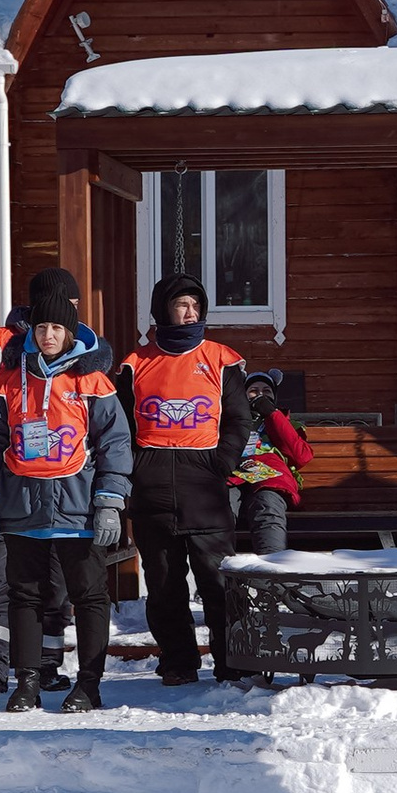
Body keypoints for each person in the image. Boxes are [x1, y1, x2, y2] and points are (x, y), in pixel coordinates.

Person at [0, 266, 131, 712]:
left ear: (70, 332)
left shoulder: (92, 381)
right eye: (41, 327)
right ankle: (26, 682)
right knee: (24, 595)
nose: (48, 335)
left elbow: (115, 442)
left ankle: (89, 684)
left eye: (57, 328)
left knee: (88, 596)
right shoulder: (7, 380)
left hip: (78, 508)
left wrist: (110, 500)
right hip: (22, 505)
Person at [118, 273, 249, 685]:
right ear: (163, 310)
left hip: (205, 488)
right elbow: (120, 428)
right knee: (163, 585)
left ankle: (232, 663)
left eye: (195, 305)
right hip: (152, 488)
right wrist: (137, 468)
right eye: (181, 305)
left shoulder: (222, 359)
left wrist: (221, 464)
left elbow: (239, 420)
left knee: (218, 582)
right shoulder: (134, 363)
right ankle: (178, 662)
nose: (190, 313)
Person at [0, 306, 67, 696]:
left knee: (53, 580)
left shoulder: (75, 352)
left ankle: (44, 663)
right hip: (6, 486)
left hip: (57, 489)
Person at [231, 369, 312, 555]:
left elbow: (301, 456)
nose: (260, 395)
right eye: (254, 391)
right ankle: (218, 568)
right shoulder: (230, 420)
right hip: (232, 475)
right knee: (219, 508)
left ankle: (272, 566)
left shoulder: (285, 422)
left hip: (269, 478)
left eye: (266, 391)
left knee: (267, 505)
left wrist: (272, 415)